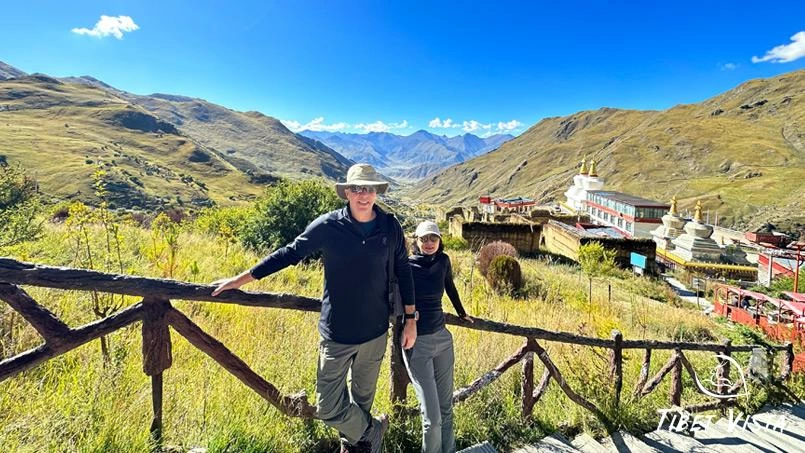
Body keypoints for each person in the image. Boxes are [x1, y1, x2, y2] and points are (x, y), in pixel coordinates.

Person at [210, 163, 417, 453]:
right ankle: (373, 431)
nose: (363, 195)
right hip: (337, 333)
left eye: (369, 188)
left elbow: (404, 271)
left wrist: (411, 318)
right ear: (346, 192)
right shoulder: (328, 226)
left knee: (362, 399)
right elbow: (289, 254)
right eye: (356, 188)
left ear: (376, 192)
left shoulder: (389, 226)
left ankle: (357, 445)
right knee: (329, 406)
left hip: (375, 334)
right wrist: (241, 278)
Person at [404, 221, 472, 453]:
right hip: (418, 343)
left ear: (440, 240)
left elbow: (450, 286)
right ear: (416, 241)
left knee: (446, 409)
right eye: (424, 239)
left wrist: (462, 313)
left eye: (433, 238)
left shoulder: (443, 261)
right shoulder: (406, 266)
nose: (429, 243)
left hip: (443, 340)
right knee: (432, 419)